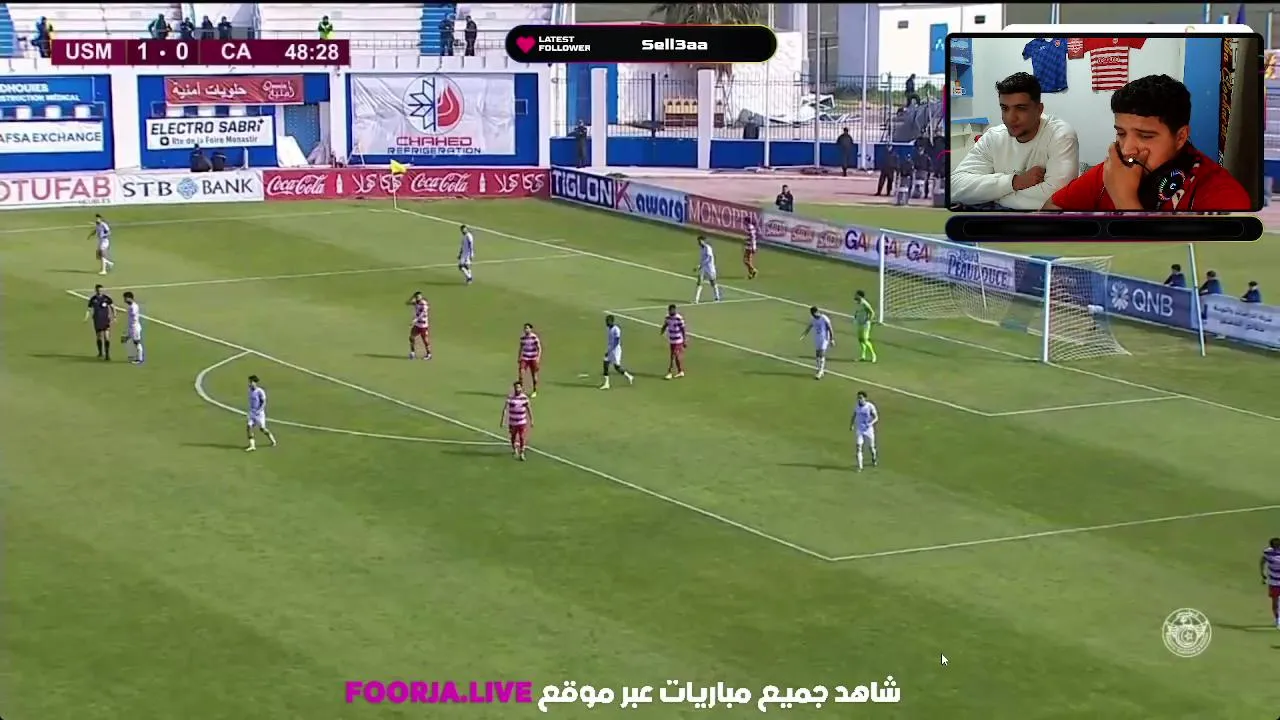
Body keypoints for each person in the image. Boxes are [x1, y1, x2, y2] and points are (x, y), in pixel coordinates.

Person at [1045, 74, 1251, 212]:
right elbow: (1051, 207)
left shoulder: (1223, 195)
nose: (1127, 149)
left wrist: (1125, 200)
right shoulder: (1114, 170)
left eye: (1145, 136)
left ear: (1180, 137)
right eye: (1121, 133)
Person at [951, 72, 1080, 210]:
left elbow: (1057, 199)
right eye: (1004, 108)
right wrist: (1014, 182)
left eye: (1021, 108)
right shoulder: (993, 137)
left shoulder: (1061, 135)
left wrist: (991, 196)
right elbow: (954, 187)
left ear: (1039, 109)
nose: (1010, 118)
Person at [600, 315, 634, 390]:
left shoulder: (616, 329)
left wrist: (610, 350)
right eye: (606, 321)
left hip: (615, 350)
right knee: (605, 363)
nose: (606, 323)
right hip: (611, 349)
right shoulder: (609, 328)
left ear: (611, 321)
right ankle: (606, 383)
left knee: (617, 367)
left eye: (607, 321)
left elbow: (616, 341)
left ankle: (629, 376)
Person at [800, 306, 834, 380]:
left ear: (816, 312)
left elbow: (830, 328)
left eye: (813, 313)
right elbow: (809, 327)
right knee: (817, 355)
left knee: (821, 353)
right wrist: (804, 334)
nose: (813, 315)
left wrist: (831, 339)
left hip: (824, 338)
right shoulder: (812, 319)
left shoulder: (824, 318)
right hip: (817, 338)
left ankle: (820, 371)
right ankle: (819, 369)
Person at [501, 381, 532, 461]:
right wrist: (502, 420)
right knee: (513, 437)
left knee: (522, 437)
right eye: (516, 387)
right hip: (513, 422)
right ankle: (515, 449)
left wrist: (531, 420)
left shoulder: (524, 398)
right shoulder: (510, 397)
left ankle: (522, 453)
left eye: (518, 387)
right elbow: (505, 409)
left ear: (521, 388)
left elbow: (529, 409)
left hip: (522, 422)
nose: (517, 389)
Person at [245, 375, 278, 452]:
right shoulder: (250, 390)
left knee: (262, 429)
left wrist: (259, 410)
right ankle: (252, 446)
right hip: (252, 412)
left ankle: (272, 440)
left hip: (259, 414)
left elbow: (263, 402)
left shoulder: (260, 391)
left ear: (255, 382)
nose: (249, 383)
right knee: (249, 427)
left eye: (251, 382)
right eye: (249, 382)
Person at [83, 284, 115, 361]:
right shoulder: (93, 299)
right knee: (99, 336)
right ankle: (100, 352)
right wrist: (86, 317)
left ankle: (107, 354)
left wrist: (114, 316)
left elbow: (112, 307)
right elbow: (89, 309)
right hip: (97, 320)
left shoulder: (106, 298)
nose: (99, 291)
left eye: (101, 290)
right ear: (96, 290)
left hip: (105, 320)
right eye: (98, 290)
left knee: (106, 337)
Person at [850, 391, 879, 471]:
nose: (859, 399)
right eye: (858, 398)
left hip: (869, 430)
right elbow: (854, 415)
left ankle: (874, 458)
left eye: (861, 398)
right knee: (859, 447)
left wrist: (870, 423)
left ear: (865, 398)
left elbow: (876, 417)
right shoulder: (857, 407)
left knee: (871, 448)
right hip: (860, 430)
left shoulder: (870, 406)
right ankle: (860, 467)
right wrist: (851, 425)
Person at [660, 304, 687, 379]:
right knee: (676, 356)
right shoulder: (667, 317)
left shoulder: (679, 318)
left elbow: (683, 329)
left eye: (673, 310)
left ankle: (670, 372)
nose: (672, 311)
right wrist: (662, 331)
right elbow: (665, 324)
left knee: (673, 356)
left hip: (678, 340)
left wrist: (684, 340)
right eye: (670, 310)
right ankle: (680, 371)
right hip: (672, 339)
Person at [693, 235, 721, 303]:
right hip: (703, 268)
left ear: (703, 241)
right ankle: (696, 299)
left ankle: (717, 297)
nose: (699, 243)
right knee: (699, 282)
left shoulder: (708, 248)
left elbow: (709, 258)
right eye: (698, 241)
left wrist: (700, 265)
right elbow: (702, 259)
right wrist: (700, 266)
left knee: (713, 282)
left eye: (700, 241)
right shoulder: (701, 249)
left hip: (710, 268)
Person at [120, 291, 145, 365]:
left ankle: (139, 359)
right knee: (125, 340)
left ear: (129, 298)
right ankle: (133, 355)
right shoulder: (132, 306)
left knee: (137, 343)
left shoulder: (133, 307)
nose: (124, 300)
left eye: (125, 298)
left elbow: (133, 314)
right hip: (131, 328)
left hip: (135, 328)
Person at [518, 323, 541, 396]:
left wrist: (538, 358)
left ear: (530, 329)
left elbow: (539, 348)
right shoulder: (523, 338)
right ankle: (521, 391)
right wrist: (519, 357)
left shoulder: (534, 337)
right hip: (525, 358)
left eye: (527, 328)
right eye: (525, 328)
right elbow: (521, 348)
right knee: (521, 374)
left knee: (534, 375)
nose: (526, 330)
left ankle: (534, 390)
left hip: (533, 358)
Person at [854, 290, 877, 363]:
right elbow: (857, 311)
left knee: (865, 340)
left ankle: (873, 355)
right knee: (860, 339)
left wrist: (868, 320)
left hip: (865, 324)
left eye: (856, 295)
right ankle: (863, 356)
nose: (855, 295)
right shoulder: (857, 303)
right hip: (859, 323)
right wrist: (855, 317)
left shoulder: (865, 304)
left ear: (860, 296)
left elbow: (872, 312)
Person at [1262, 538, 1280, 628]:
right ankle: (1278, 620)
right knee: (1275, 603)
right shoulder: (1268, 552)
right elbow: (1262, 561)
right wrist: (1263, 574)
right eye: (1273, 547)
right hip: (1274, 582)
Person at [406, 291, 430, 360]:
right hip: (417, 325)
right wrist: (412, 297)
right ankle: (412, 353)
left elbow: (422, 314)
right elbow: (407, 303)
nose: (418, 298)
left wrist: (415, 320)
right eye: (416, 297)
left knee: (425, 340)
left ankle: (429, 354)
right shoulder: (416, 302)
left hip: (423, 325)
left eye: (419, 296)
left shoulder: (424, 304)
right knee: (411, 337)